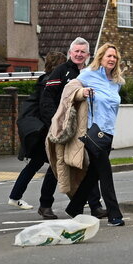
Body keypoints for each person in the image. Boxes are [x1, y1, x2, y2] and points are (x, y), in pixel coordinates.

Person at [35, 37, 104, 220]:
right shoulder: (61, 71)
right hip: (63, 127)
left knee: (88, 164)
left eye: (83, 52)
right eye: (76, 51)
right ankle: (45, 205)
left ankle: (96, 206)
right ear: (70, 53)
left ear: (88, 55)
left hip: (86, 128)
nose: (79, 55)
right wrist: (55, 123)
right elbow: (47, 99)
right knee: (57, 165)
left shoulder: (91, 73)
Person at [64, 43, 126, 226]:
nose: (112, 59)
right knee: (105, 173)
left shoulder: (117, 83)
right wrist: (81, 92)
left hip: (108, 132)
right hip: (93, 132)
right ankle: (115, 215)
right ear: (101, 57)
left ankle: (74, 207)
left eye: (115, 57)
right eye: (109, 56)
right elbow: (69, 91)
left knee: (94, 174)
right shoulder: (88, 75)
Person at [7, 51, 67, 210]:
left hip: (41, 131)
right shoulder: (50, 82)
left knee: (39, 165)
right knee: (60, 163)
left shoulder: (44, 80)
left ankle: (15, 196)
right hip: (45, 132)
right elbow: (46, 108)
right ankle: (83, 197)